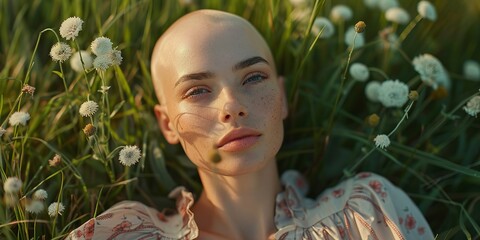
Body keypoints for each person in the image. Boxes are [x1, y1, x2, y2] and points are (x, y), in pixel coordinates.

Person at [68, 9, 434, 240]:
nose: (232, 107)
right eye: (197, 91)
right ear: (167, 124)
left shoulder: (366, 216)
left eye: (253, 78)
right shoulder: (120, 235)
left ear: (283, 97)